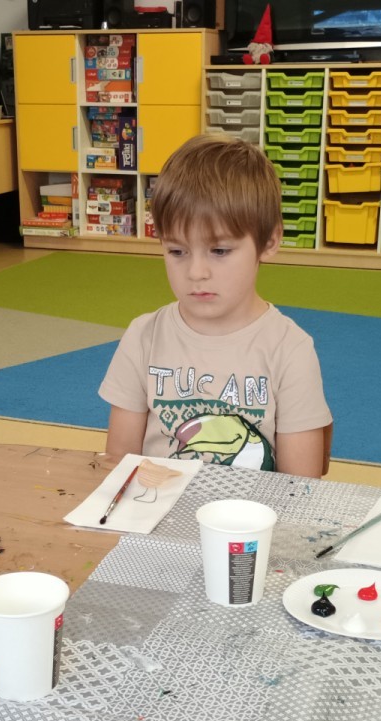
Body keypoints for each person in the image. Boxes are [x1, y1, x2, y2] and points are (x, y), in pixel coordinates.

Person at [99, 133, 332, 477]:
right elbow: (119, 465)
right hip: (156, 505)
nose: (196, 272)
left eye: (219, 251)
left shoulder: (290, 349)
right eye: (177, 251)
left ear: (269, 241)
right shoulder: (143, 336)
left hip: (252, 511)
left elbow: (300, 486)